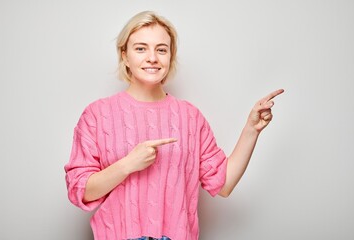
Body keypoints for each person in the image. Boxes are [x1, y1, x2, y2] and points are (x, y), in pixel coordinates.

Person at [64, 11, 284, 240]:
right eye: (140, 48)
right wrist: (128, 164)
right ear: (125, 56)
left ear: (170, 56)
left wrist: (252, 129)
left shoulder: (190, 117)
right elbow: (80, 190)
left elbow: (224, 184)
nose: (152, 58)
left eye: (161, 49)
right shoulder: (97, 115)